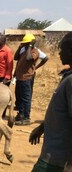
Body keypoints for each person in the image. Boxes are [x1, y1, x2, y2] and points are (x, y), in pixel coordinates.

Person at [28, 32, 72, 172]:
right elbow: (60, 112)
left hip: (57, 158)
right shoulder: (67, 77)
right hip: (53, 152)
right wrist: (41, 128)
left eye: (61, 49)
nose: (59, 53)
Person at [14, 33, 48, 125]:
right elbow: (15, 57)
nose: (24, 44)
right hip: (20, 77)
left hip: (27, 78)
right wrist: (20, 46)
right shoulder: (23, 49)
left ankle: (26, 117)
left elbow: (29, 58)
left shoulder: (34, 51)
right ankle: (20, 115)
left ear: (30, 43)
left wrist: (30, 46)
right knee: (20, 97)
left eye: (26, 43)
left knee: (26, 98)